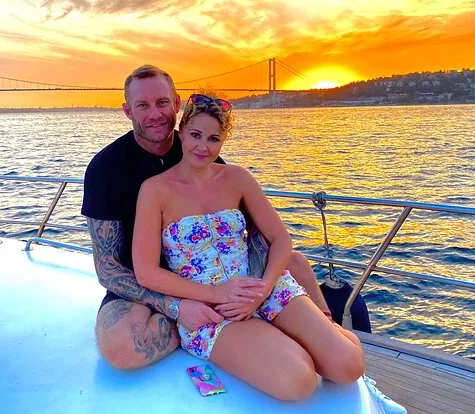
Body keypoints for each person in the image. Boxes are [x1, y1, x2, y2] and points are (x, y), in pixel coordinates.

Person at [81, 64, 332, 371]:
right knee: (124, 349)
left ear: (176, 104)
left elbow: (252, 231)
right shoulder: (105, 169)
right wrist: (176, 307)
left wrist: (253, 289)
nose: (155, 114)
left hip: (212, 275)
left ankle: (324, 335)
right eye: (142, 105)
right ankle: (206, 327)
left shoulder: (198, 149)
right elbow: (108, 269)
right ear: (127, 111)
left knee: (296, 263)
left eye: (162, 102)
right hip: (146, 287)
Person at [131, 93, 365, 400]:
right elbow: (146, 272)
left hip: (261, 286)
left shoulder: (237, 178)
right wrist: (217, 294)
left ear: (223, 141)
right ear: (182, 132)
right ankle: (291, 341)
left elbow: (281, 239)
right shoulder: (154, 190)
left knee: (348, 366)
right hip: (211, 308)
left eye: (214, 139)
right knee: (298, 381)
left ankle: (314, 335)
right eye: (196, 135)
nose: (203, 147)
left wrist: (262, 290)